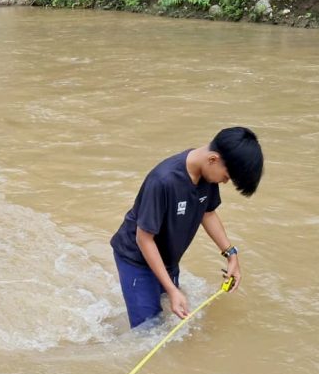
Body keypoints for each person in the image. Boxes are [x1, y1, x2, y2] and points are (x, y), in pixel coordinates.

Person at [110, 127, 264, 328]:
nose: (225, 182)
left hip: (168, 259)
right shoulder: (163, 181)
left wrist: (231, 254)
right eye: (226, 177)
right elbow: (144, 239)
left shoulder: (207, 175)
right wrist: (172, 290)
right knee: (148, 330)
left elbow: (207, 213)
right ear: (213, 159)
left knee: (169, 317)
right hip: (136, 259)